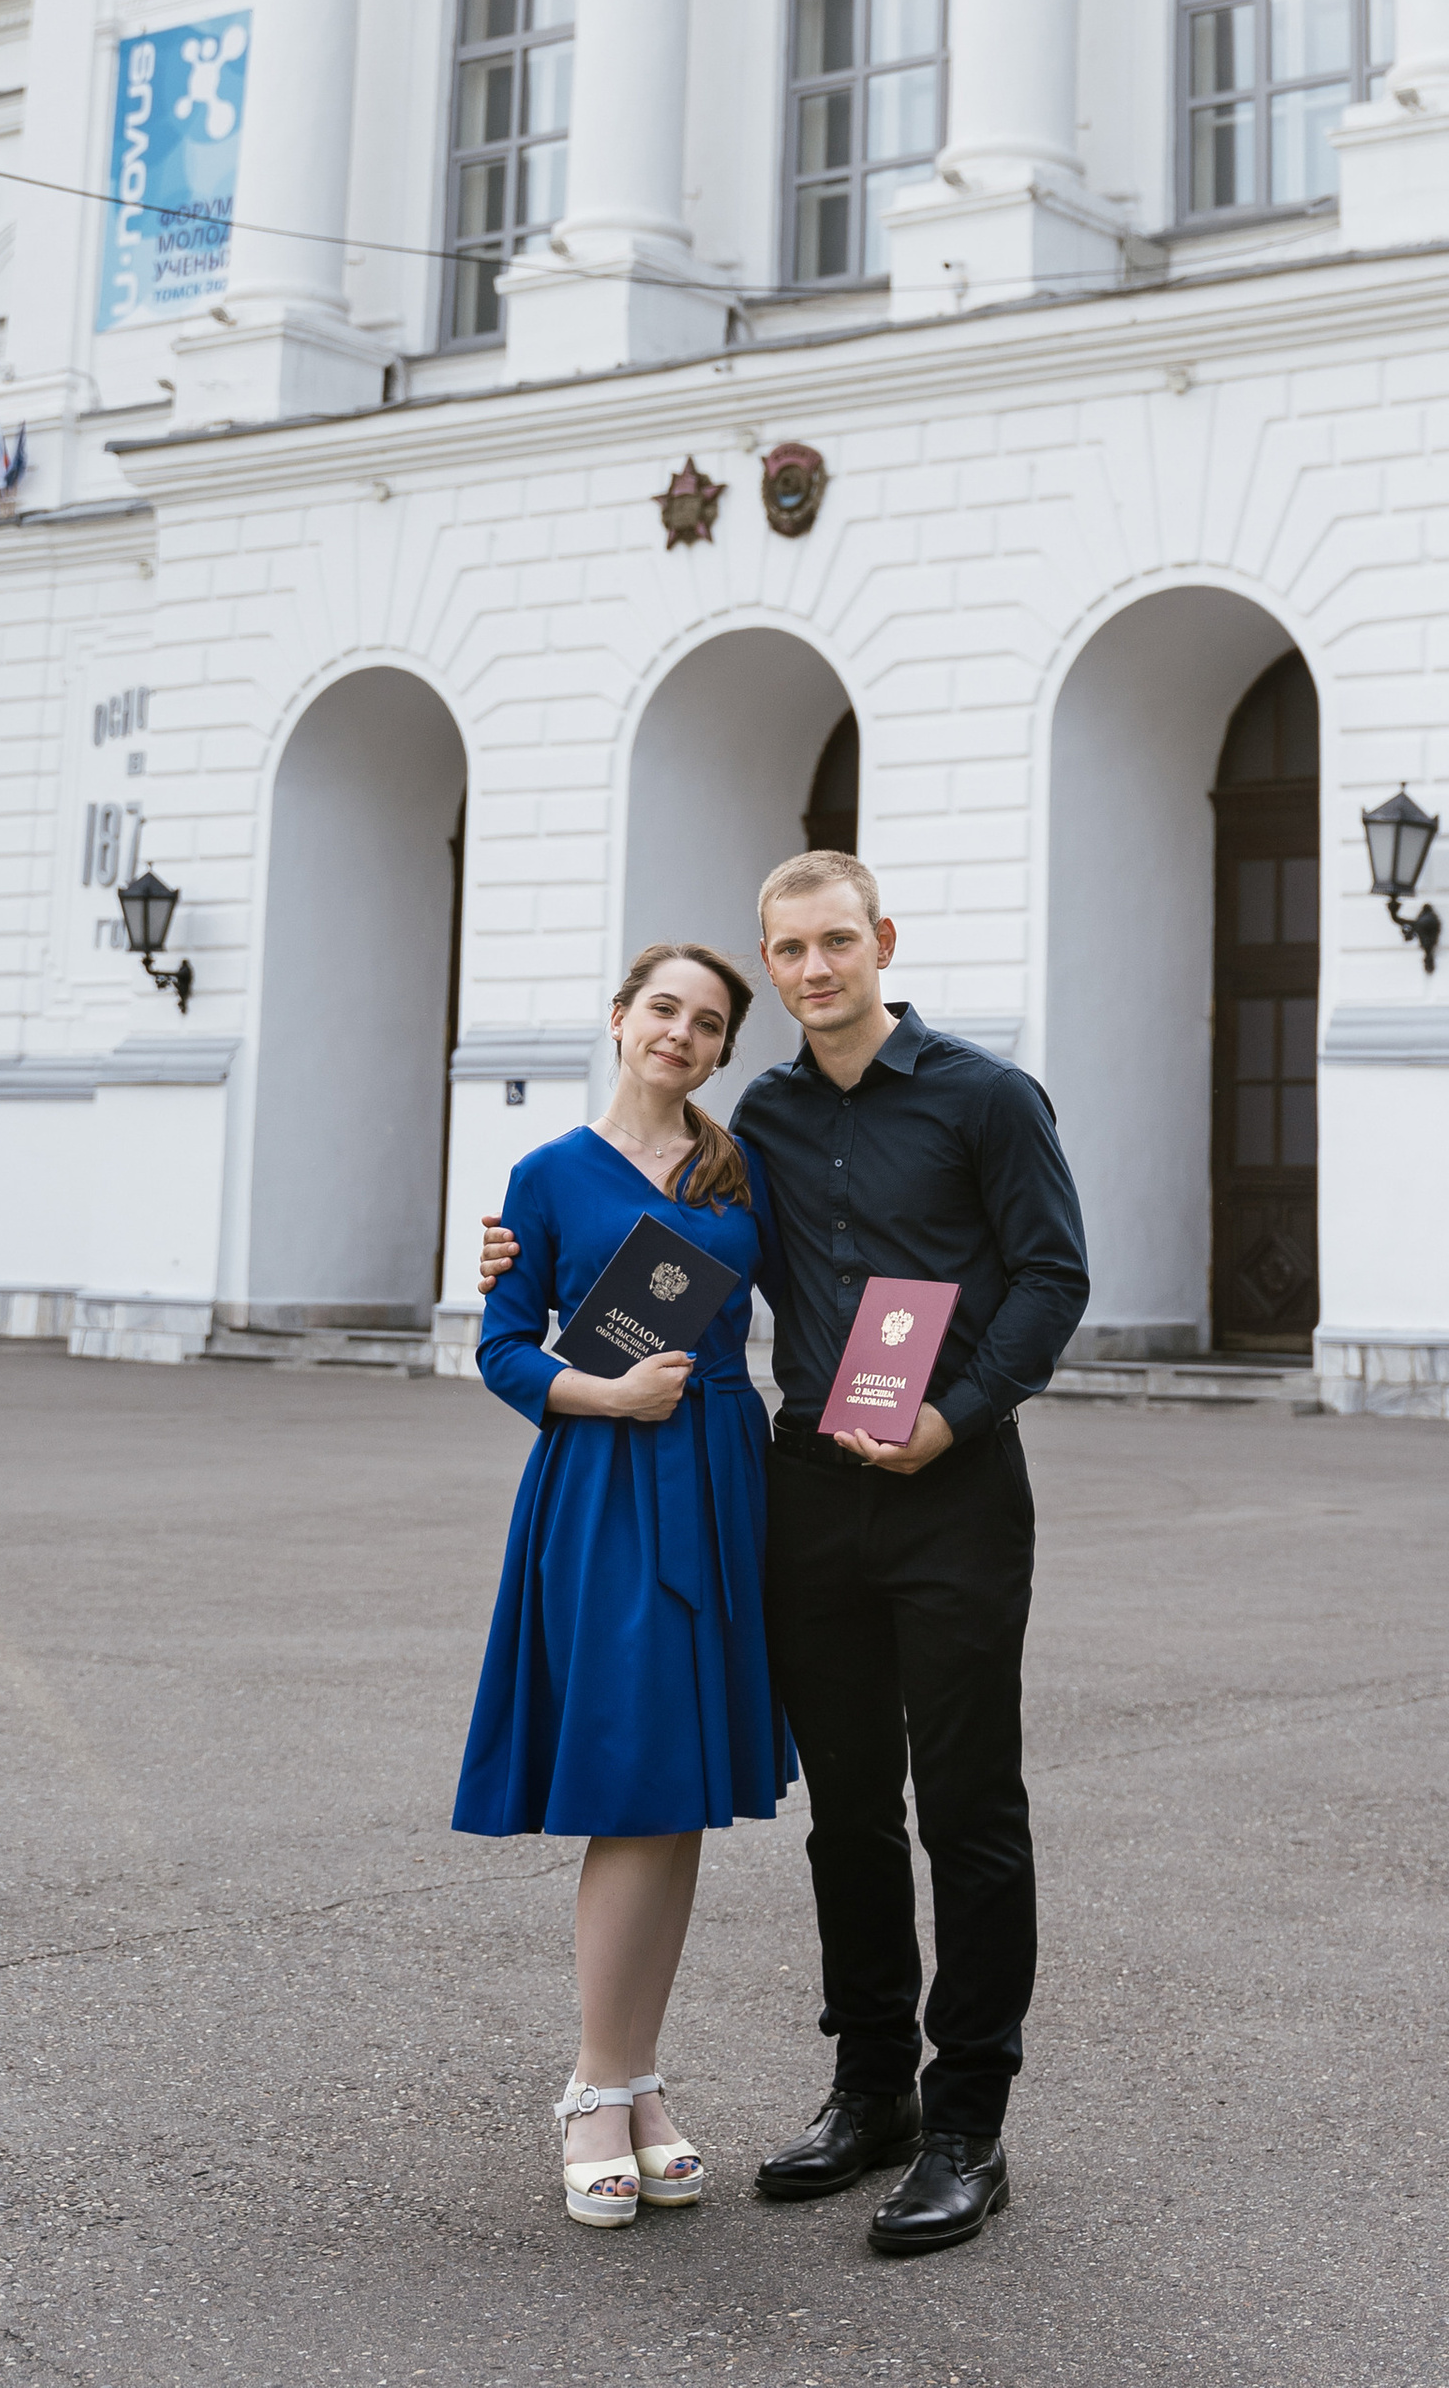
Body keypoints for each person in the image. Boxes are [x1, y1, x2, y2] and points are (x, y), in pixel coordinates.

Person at [483, 849, 1088, 2257]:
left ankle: (966, 2124)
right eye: (791, 951)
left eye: (834, 943)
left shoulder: (987, 1098)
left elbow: (1054, 1276)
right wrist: (514, 1259)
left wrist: (955, 1415)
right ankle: (869, 2088)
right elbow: (641, 1252)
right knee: (852, 1812)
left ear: (879, 940)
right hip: (802, 1494)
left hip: (952, 1489)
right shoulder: (750, 1121)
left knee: (970, 1807)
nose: (815, 970)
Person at [455, 941, 792, 2232]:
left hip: (720, 1484)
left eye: (708, 1023)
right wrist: (598, 1390)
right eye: (665, 1009)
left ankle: (640, 2077)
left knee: (683, 1793)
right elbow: (499, 1346)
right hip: (602, 1482)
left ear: (720, 1048)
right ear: (618, 1018)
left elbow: (811, 1287)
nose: (683, 1034)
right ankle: (592, 2090)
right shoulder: (546, 1178)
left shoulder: (734, 1167)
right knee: (628, 1774)